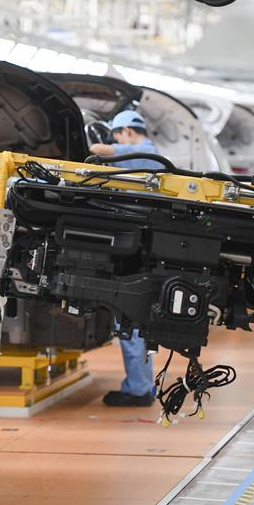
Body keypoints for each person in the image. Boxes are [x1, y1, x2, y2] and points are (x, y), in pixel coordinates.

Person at [90, 110, 162, 407]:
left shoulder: (145, 153)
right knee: (132, 320)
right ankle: (139, 385)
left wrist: (93, 140)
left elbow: (98, 150)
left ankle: (139, 388)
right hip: (141, 244)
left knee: (130, 319)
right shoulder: (148, 154)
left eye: (117, 135)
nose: (116, 141)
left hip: (135, 247)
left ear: (128, 133)